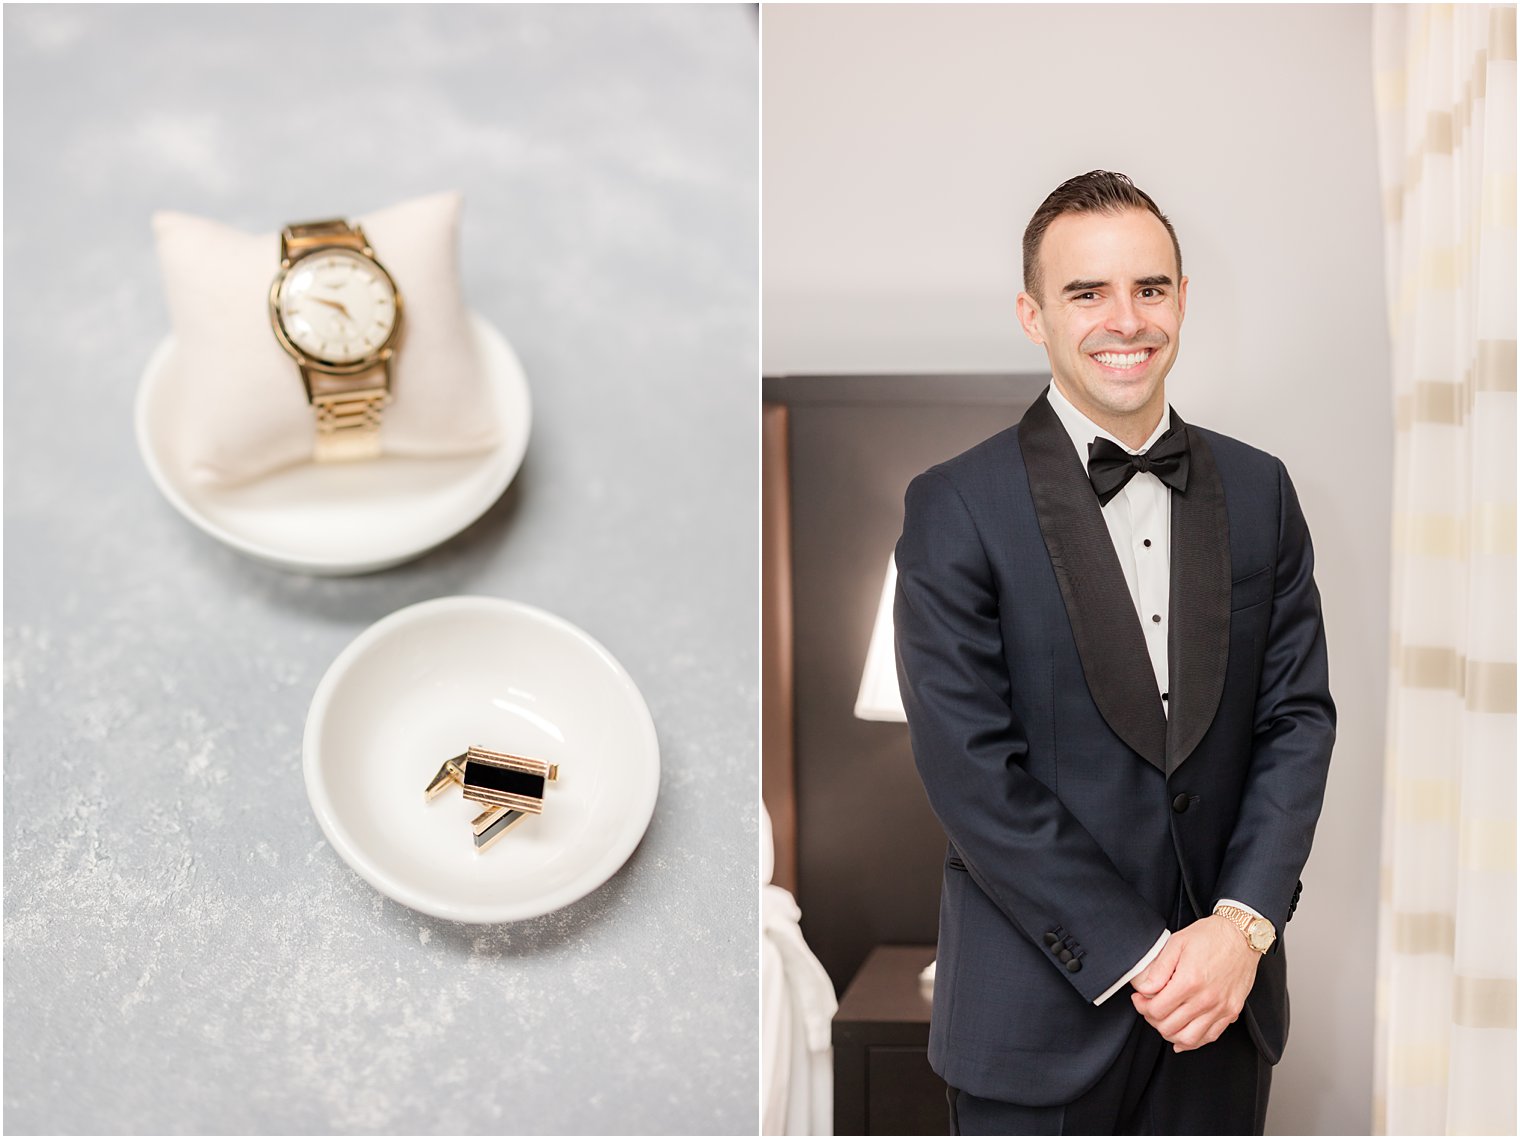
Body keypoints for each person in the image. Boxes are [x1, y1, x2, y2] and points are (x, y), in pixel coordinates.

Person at [893, 170, 1335, 1136]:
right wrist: (1145, 957)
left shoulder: (1262, 489)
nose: (1124, 319)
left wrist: (1240, 927)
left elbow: (1296, 720)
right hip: (1036, 1019)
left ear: (1182, 300)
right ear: (1032, 314)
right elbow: (971, 772)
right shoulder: (954, 505)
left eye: (1151, 287)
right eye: (1086, 292)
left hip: (1221, 1010)